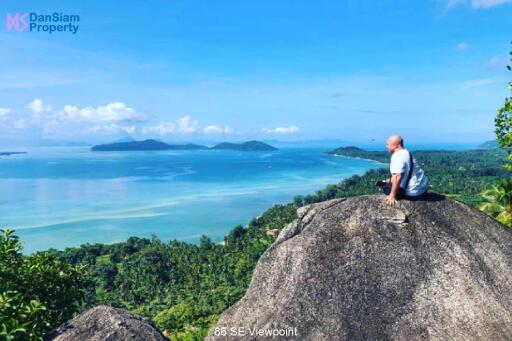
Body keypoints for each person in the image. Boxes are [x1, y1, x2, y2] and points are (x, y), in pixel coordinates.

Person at [377, 135, 429, 206]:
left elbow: (398, 176)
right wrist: (389, 180)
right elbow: (405, 173)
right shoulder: (406, 152)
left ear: (395, 145)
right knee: (387, 182)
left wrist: (392, 196)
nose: (386, 146)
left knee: (385, 187)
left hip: (413, 193)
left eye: (388, 144)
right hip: (423, 189)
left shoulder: (397, 157)